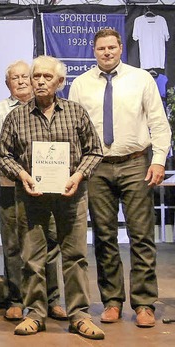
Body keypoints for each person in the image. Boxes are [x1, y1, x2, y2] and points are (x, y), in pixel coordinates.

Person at [0, 55, 105, 339]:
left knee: (76, 256)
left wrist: (78, 175)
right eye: (36, 76)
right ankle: (35, 314)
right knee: (32, 257)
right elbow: (1, 155)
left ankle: (79, 315)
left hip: (72, 194)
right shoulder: (16, 115)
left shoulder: (76, 112)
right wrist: (22, 174)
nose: (40, 81)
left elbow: (95, 151)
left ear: (59, 82)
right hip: (32, 195)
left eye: (46, 77)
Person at [69, 28, 171, 328]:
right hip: (97, 167)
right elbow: (75, 130)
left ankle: (143, 304)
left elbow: (159, 123)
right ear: (94, 51)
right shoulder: (81, 84)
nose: (107, 53)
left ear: (121, 48)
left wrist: (158, 160)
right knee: (104, 237)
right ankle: (112, 301)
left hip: (136, 164)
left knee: (141, 237)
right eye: (101, 48)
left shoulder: (141, 79)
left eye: (112, 47)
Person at [0, 60, 68, 322]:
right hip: (11, 187)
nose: (21, 81)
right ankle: (17, 299)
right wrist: (22, 174)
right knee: (13, 245)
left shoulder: (50, 109)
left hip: (50, 187)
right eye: (15, 78)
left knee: (50, 243)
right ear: (7, 83)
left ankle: (51, 300)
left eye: (25, 77)